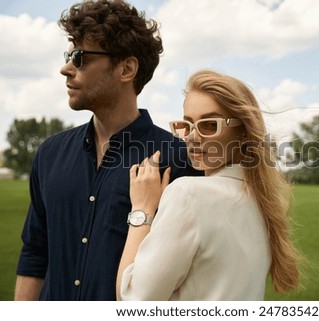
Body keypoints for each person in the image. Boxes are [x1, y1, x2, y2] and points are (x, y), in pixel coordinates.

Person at [15, 0, 199, 301]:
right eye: (68, 55)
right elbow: (35, 252)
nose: (65, 68)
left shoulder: (179, 160)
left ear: (126, 68)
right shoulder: (49, 154)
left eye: (79, 57)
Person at [117, 69, 301, 300]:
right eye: (186, 125)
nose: (192, 137)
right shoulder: (264, 202)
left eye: (209, 125)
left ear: (243, 131)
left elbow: (132, 301)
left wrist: (142, 211)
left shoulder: (187, 193)